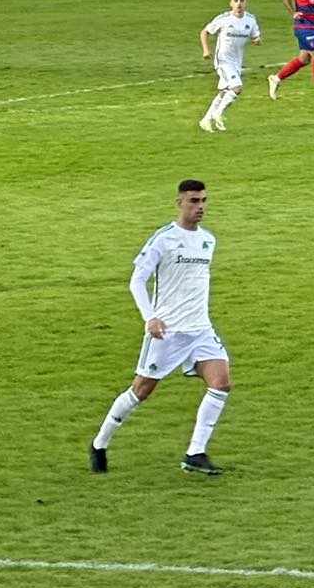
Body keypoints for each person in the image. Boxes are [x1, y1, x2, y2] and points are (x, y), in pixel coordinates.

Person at [89, 179, 232, 477]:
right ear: (179, 203)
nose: (200, 207)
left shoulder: (208, 240)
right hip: (168, 332)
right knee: (140, 390)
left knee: (221, 384)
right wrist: (150, 317)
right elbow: (137, 280)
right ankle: (99, 443)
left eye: (204, 200)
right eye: (193, 201)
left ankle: (195, 453)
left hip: (201, 330)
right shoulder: (163, 239)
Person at [197, 0, 261, 133]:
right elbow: (204, 32)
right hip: (223, 60)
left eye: (242, 0)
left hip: (237, 62)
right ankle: (217, 114)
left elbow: (255, 36)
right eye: (236, 0)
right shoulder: (224, 18)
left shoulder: (250, 20)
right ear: (231, 3)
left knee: (224, 92)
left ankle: (205, 120)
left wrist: (257, 40)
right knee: (237, 88)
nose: (239, 3)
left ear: (246, 3)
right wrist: (206, 50)